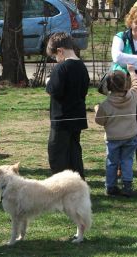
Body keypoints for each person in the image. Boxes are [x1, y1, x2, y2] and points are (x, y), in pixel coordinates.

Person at [46, 32, 89, 179]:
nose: (56, 60)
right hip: (77, 117)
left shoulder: (61, 68)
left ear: (60, 51)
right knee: (74, 153)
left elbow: (53, 90)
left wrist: (48, 82)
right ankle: (78, 183)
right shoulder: (82, 67)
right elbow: (84, 91)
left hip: (61, 119)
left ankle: (60, 185)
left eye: (55, 57)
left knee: (56, 154)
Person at [111, 4, 137, 179]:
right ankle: (118, 165)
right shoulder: (120, 36)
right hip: (120, 85)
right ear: (131, 21)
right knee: (121, 124)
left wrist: (130, 61)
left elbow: (124, 58)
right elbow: (116, 57)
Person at [95, 64, 137, 197]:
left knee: (112, 162)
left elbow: (100, 121)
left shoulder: (105, 105)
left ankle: (110, 187)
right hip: (130, 136)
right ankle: (127, 186)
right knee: (127, 160)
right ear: (126, 84)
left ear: (108, 86)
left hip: (113, 139)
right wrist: (132, 72)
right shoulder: (133, 96)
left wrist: (97, 109)